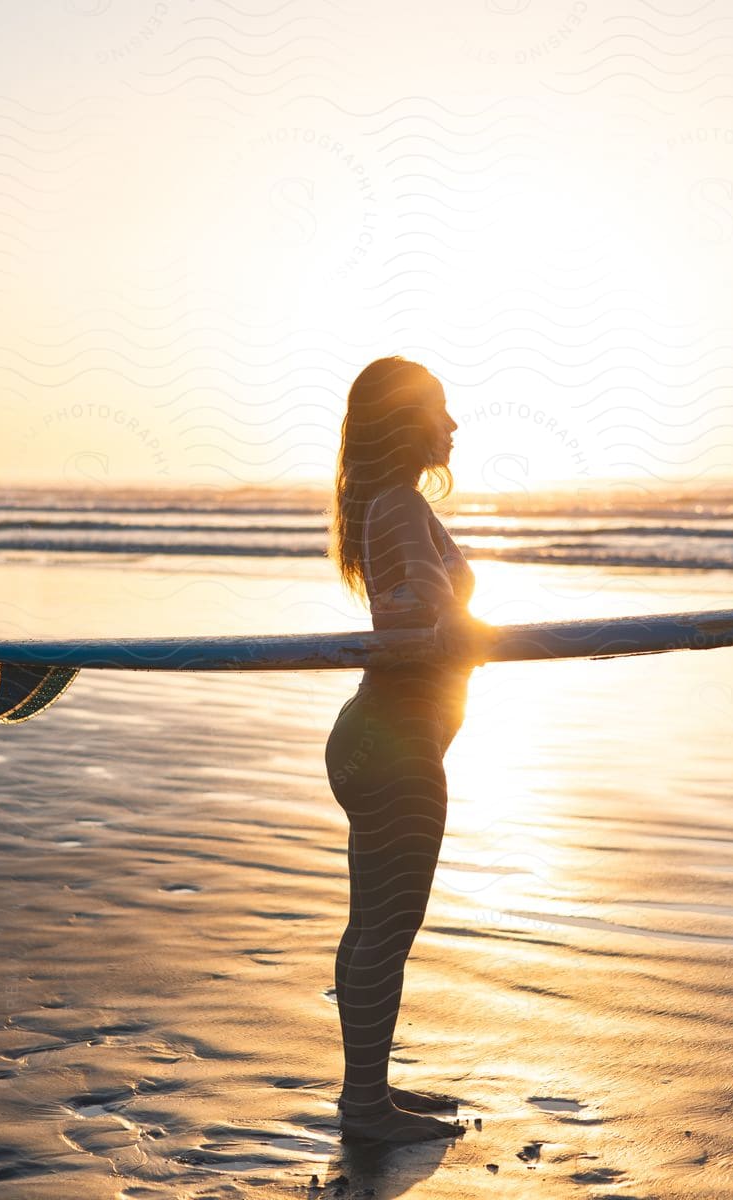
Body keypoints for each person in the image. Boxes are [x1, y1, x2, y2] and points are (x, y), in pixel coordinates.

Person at [324, 356, 492, 1143]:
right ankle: (365, 1110)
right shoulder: (395, 505)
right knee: (387, 930)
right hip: (395, 750)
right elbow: (413, 606)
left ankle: (369, 1093)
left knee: (373, 928)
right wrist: (457, 624)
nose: (453, 426)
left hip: (380, 741)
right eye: (440, 410)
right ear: (404, 420)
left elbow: (411, 601)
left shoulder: (388, 506)